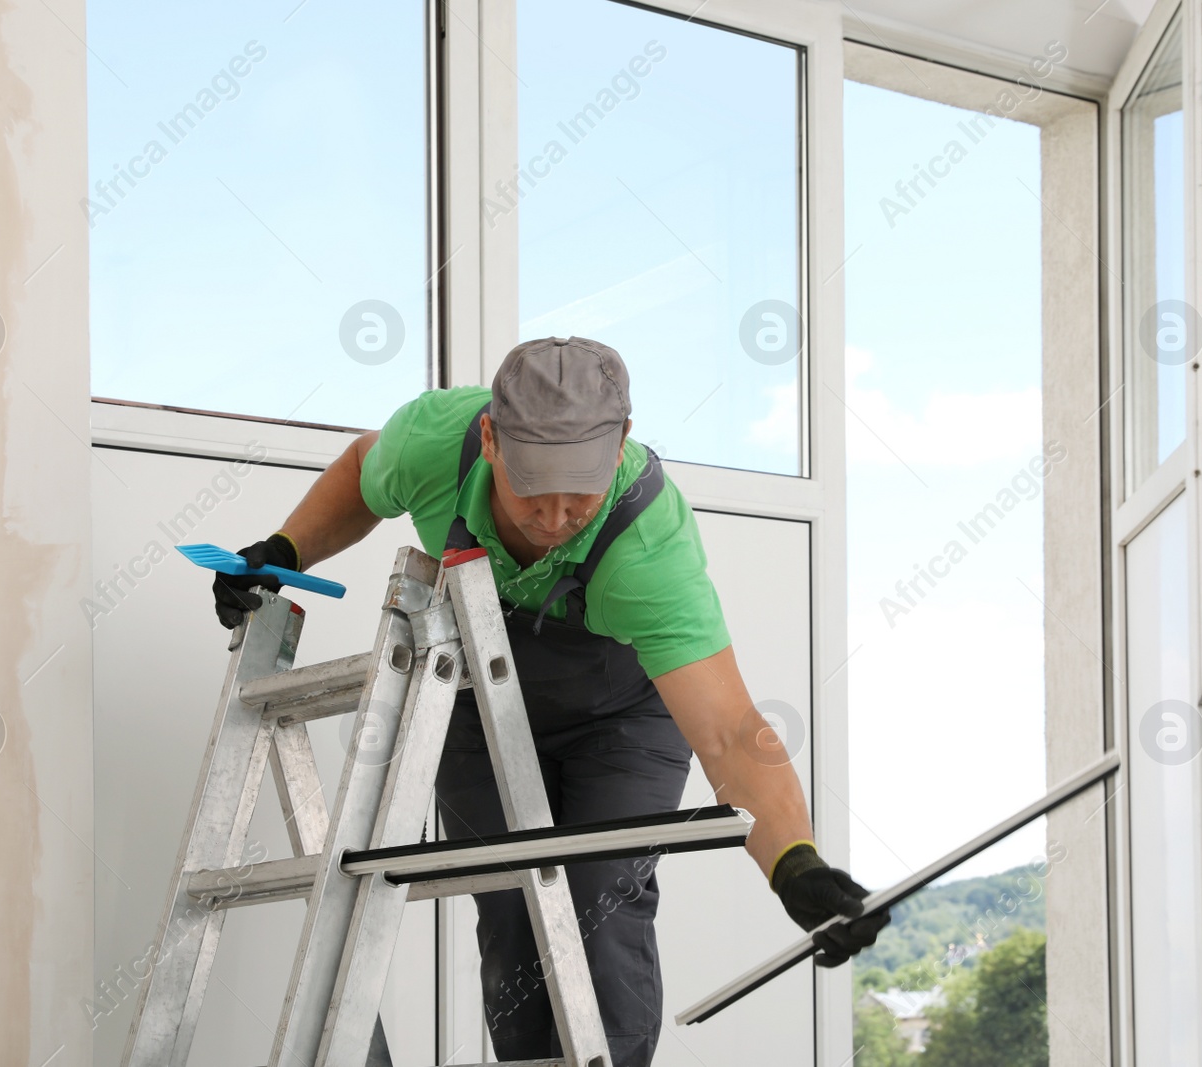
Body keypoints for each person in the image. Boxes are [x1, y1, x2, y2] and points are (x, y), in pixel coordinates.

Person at [212, 336, 887, 1066]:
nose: (556, 517)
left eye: (580, 495)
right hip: (477, 699)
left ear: (622, 443)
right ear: (491, 438)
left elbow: (728, 729)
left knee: (602, 900)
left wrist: (795, 864)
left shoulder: (648, 543)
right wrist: (284, 550)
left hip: (623, 717)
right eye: (533, 490)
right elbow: (358, 473)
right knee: (510, 907)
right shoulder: (433, 442)